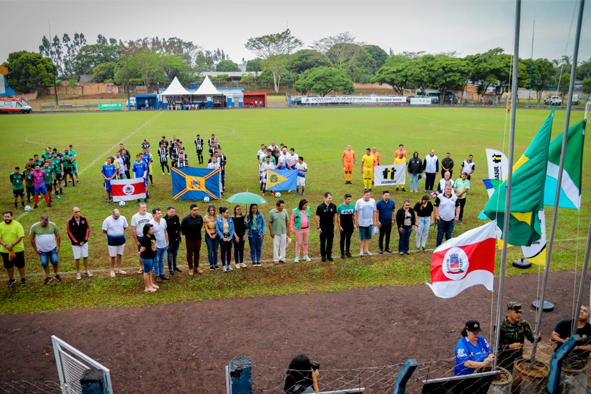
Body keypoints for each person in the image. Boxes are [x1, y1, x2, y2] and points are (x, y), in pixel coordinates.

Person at [497, 302, 537, 372]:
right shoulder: (501, 326)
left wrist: (537, 337)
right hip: (503, 362)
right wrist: (509, 347)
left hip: (518, 360)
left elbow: (532, 339)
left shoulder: (523, 324)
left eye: (520, 312)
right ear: (509, 313)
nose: (519, 315)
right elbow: (497, 346)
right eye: (516, 312)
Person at [30, 214, 61, 285]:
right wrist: (36, 249)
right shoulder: (34, 227)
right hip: (42, 250)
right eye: (44, 223)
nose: (46, 224)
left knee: (55, 261)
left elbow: (58, 236)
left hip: (52, 248)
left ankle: (56, 274)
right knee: (44, 263)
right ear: (40, 221)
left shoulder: (52, 225)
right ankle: (48, 276)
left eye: (47, 223)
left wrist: (58, 246)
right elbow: (31, 239)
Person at [0, 211, 26, 287]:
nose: (7, 218)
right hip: (5, 250)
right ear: (3, 217)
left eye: (8, 216)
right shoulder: (0, 225)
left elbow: (20, 236)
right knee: (8, 266)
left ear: (11, 217)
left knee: (20, 265)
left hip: (18, 249)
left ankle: (23, 278)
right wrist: (5, 245)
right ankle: (11, 279)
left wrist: (12, 244)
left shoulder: (17, 225)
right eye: (5, 217)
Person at [66, 207, 92, 280]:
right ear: (73, 213)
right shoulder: (70, 221)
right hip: (75, 243)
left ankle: (86, 271)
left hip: (84, 242)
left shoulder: (84, 219)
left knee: (85, 256)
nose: (78, 213)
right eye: (76, 212)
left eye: (78, 211)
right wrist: (76, 242)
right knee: (77, 258)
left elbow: (87, 229)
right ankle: (78, 272)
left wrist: (84, 240)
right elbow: (69, 232)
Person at [102, 209, 128, 277]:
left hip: (121, 240)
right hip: (112, 241)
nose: (117, 218)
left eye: (118, 216)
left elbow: (125, 227)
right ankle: (112, 270)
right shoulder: (107, 220)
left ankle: (118, 269)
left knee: (119, 254)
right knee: (112, 256)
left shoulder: (123, 218)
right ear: (113, 214)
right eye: (116, 216)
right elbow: (104, 230)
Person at [180, 204, 203, 275]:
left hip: (198, 239)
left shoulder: (200, 217)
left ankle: (197, 266)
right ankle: (191, 268)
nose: (196, 211)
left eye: (197, 210)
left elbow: (201, 226)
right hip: (189, 240)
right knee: (189, 254)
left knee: (197, 253)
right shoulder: (186, 219)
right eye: (194, 210)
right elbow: (182, 229)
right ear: (191, 211)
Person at [131, 203, 153, 274]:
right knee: (141, 252)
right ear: (139, 208)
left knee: (151, 251)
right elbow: (133, 229)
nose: (144, 209)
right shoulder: (135, 217)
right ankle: (141, 267)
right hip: (140, 237)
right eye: (142, 207)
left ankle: (151, 266)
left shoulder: (149, 215)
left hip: (149, 237)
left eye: (145, 207)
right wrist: (136, 240)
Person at [150, 208, 170, 283]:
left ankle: (162, 273)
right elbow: (150, 236)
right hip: (156, 246)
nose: (160, 214)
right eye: (158, 213)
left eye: (160, 213)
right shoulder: (151, 223)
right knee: (156, 261)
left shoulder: (163, 221)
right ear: (154, 214)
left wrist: (167, 241)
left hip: (163, 244)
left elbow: (165, 232)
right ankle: (157, 275)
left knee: (161, 260)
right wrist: (153, 246)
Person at [355, 189, 378, 256]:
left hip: (369, 222)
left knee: (368, 237)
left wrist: (375, 221)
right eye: (366, 195)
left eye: (369, 195)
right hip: (362, 223)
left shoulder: (373, 201)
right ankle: (361, 250)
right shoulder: (359, 202)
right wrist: (356, 221)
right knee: (362, 238)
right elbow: (355, 212)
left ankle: (366, 250)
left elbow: (375, 211)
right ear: (363, 195)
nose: (368, 196)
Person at [316, 192, 337, 262]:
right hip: (323, 227)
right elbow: (317, 217)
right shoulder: (320, 207)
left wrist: (335, 226)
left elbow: (335, 216)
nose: (330, 199)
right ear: (325, 198)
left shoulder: (333, 206)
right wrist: (318, 227)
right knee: (323, 242)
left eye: (331, 198)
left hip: (331, 227)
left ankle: (329, 255)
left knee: (330, 242)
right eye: (329, 198)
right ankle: (323, 256)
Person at [137, 223, 158, 292]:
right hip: (146, 257)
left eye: (152, 229)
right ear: (147, 230)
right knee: (147, 272)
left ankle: (151, 284)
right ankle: (147, 287)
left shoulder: (152, 236)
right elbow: (142, 249)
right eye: (151, 229)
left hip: (152, 256)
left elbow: (152, 245)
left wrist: (154, 249)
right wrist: (140, 252)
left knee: (150, 271)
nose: (152, 231)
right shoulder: (144, 239)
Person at [269, 200, 290, 264]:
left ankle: (282, 258)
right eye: (281, 206)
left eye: (283, 206)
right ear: (277, 206)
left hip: (283, 231)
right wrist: (271, 232)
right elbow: (270, 223)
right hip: (276, 232)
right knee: (276, 246)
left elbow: (287, 221)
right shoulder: (272, 212)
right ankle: (276, 259)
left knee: (283, 245)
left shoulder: (285, 211)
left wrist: (287, 230)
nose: (282, 207)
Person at [337, 194, 356, 259]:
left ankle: (347, 251)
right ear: (345, 199)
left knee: (348, 239)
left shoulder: (352, 206)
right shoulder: (340, 207)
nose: (350, 200)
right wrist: (339, 226)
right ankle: (342, 252)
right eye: (348, 199)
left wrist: (355, 224)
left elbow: (354, 215)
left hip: (350, 226)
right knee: (342, 239)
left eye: (350, 199)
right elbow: (338, 217)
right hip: (343, 226)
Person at [164, 206, 182, 276]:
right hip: (169, 241)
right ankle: (170, 269)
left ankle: (175, 267)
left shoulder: (176, 217)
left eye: (174, 211)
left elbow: (179, 228)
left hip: (176, 239)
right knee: (170, 255)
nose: (173, 213)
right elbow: (164, 232)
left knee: (175, 254)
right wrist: (167, 241)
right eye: (172, 212)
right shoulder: (164, 220)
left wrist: (180, 237)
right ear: (167, 212)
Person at [216, 207, 235, 272]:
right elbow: (218, 230)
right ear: (222, 213)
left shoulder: (230, 219)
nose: (227, 214)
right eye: (226, 213)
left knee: (229, 251)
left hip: (229, 236)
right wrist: (222, 237)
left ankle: (229, 265)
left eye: (228, 213)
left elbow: (232, 229)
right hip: (222, 237)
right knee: (223, 251)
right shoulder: (218, 220)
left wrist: (230, 237)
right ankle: (224, 265)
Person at [204, 205, 219, 270]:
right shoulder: (205, 218)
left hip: (216, 235)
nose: (212, 211)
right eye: (210, 210)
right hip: (208, 235)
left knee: (215, 250)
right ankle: (211, 264)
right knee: (210, 250)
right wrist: (210, 235)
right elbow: (206, 228)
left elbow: (219, 227)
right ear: (208, 211)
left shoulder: (217, 217)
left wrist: (215, 234)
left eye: (213, 210)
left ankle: (215, 263)